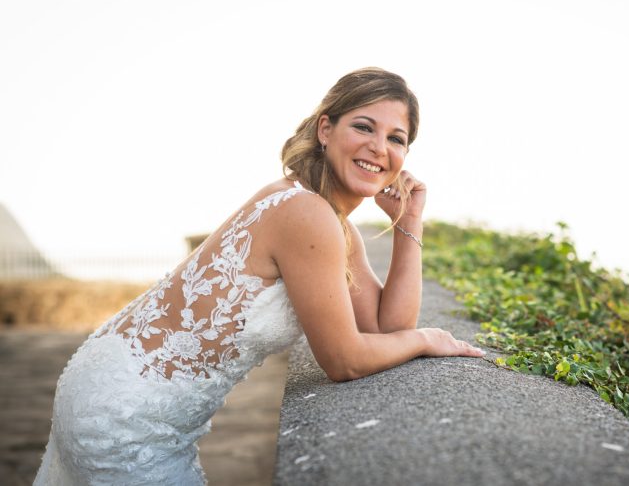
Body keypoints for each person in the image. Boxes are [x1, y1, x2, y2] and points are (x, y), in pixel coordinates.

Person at [34, 67, 485, 485]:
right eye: (364, 126)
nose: (379, 147)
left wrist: (410, 223)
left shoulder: (328, 218)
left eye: (397, 138)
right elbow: (345, 360)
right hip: (125, 412)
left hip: (111, 378)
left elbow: (387, 329)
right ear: (325, 130)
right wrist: (428, 339)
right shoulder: (307, 213)